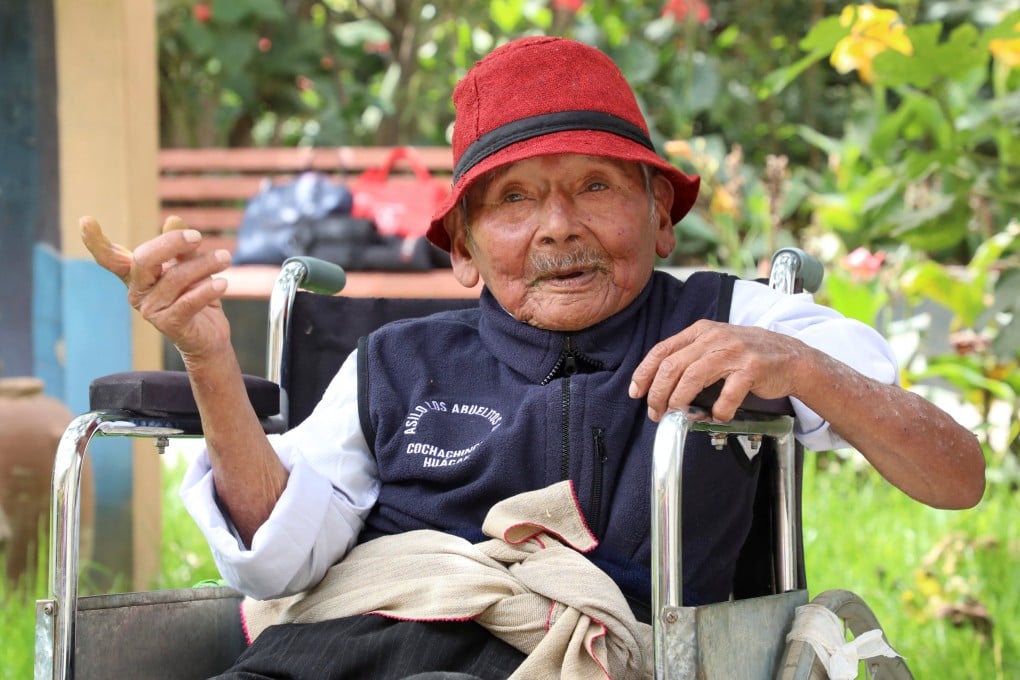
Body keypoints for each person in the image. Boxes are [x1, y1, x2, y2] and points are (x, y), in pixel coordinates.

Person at [82, 36, 984, 680]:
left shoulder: (739, 321)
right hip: (353, 649)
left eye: (594, 184)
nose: (559, 225)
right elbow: (279, 563)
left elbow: (954, 477)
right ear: (465, 252)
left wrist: (800, 366)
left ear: (661, 216)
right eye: (514, 199)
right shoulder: (396, 364)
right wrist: (207, 358)